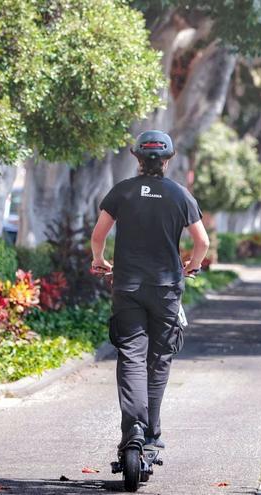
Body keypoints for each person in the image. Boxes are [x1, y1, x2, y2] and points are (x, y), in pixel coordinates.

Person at [90, 130, 209, 453]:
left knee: (131, 355)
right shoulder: (180, 194)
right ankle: (152, 432)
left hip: (127, 286)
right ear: (168, 160)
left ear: (137, 158)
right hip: (166, 288)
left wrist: (99, 260)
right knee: (158, 360)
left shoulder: (122, 192)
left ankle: (133, 431)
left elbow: (99, 235)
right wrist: (192, 266)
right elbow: (203, 242)